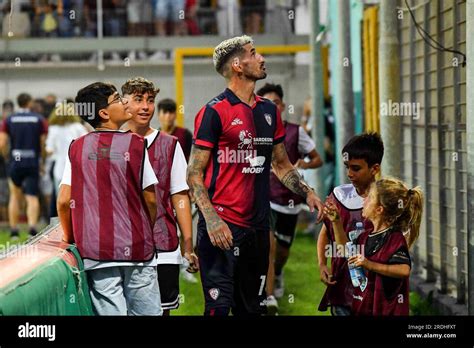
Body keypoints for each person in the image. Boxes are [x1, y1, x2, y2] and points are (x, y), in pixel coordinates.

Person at [187, 35, 324, 316]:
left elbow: (282, 165)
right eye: (254, 53)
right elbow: (194, 174)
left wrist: (308, 193)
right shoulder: (213, 112)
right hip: (221, 229)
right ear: (237, 65)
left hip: (258, 230)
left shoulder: (269, 111)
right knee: (218, 309)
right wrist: (211, 219)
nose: (261, 58)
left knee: (253, 310)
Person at [57, 82, 162, 316]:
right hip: (137, 249)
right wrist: (144, 229)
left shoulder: (77, 148)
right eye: (117, 99)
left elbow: (64, 201)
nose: (125, 102)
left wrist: (70, 238)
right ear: (104, 113)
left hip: (97, 251)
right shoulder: (136, 144)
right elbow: (151, 200)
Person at [122, 77, 199, 315]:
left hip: (163, 245)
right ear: (124, 103)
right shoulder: (113, 144)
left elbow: (180, 196)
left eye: (150, 100)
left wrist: (188, 245)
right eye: (138, 100)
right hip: (122, 247)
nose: (146, 106)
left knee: (161, 312)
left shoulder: (170, 144)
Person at [256, 83, 323, 314]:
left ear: (282, 106)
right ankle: (269, 296)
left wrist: (303, 164)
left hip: (290, 202)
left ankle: (279, 273)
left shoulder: (295, 132)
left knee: (282, 251)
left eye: (274, 103)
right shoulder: (254, 133)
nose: (269, 108)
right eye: (264, 103)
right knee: (270, 246)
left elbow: (317, 158)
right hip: (266, 199)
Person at [325, 177, 423, 315]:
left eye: (369, 197)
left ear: (379, 210)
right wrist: (336, 221)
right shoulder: (365, 236)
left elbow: (403, 270)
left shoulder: (394, 238)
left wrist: (369, 265)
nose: (364, 200)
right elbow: (344, 250)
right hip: (364, 307)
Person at [317, 133, 384, 316]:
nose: (349, 174)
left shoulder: (386, 200)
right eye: (347, 167)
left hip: (374, 291)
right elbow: (325, 232)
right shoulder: (339, 196)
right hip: (342, 290)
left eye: (356, 168)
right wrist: (322, 264)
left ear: (374, 168)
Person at [0, 93, 48, 239]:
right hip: (32, 161)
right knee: (31, 196)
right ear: (30, 102)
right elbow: (43, 143)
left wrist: (7, 157)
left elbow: (2, 143)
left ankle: (14, 230)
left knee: (15, 195)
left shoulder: (9, 119)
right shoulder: (39, 119)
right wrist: (42, 160)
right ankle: (32, 228)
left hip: (16, 160)